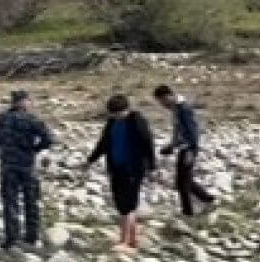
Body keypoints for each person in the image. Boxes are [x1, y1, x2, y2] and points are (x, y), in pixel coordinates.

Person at [86, 94, 157, 253]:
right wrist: (91, 159)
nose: (116, 116)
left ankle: (124, 240)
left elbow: (148, 144)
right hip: (116, 168)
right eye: (113, 114)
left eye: (119, 113)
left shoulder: (137, 121)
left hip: (133, 168)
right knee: (121, 203)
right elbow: (103, 144)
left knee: (128, 204)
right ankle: (132, 239)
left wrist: (152, 167)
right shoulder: (112, 123)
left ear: (127, 109)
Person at [0, 90, 56, 251]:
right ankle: (32, 236)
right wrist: (35, 149)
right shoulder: (32, 119)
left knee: (10, 202)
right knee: (31, 201)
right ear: (27, 102)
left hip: (8, 165)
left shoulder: (2, 119)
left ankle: (12, 238)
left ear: (13, 102)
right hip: (27, 165)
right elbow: (49, 139)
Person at [153, 84, 215, 217]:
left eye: (162, 101)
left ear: (168, 96)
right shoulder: (176, 109)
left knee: (182, 183)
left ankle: (188, 213)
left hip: (188, 149)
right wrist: (171, 146)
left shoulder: (184, 108)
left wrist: (191, 151)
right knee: (183, 181)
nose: (162, 105)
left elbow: (192, 131)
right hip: (183, 148)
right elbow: (178, 130)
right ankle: (208, 200)